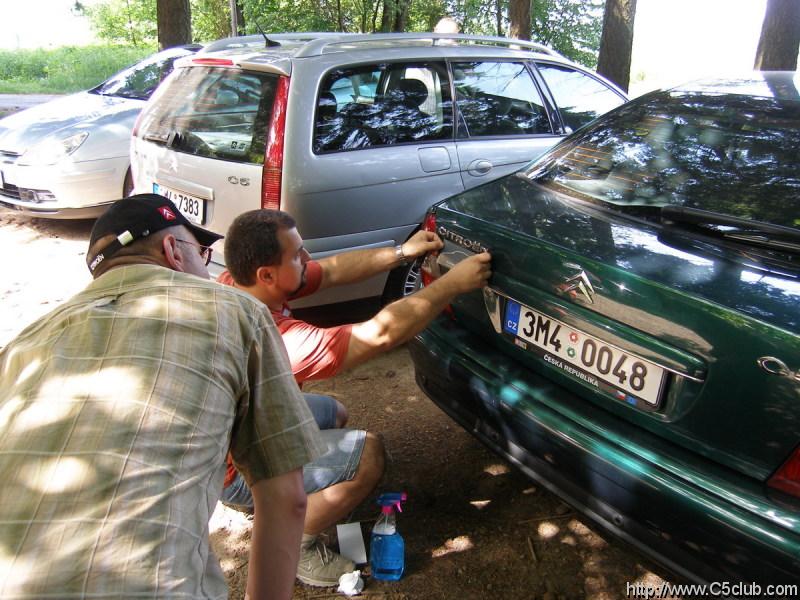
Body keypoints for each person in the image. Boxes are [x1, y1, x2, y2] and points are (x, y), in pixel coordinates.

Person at [0, 194, 324, 600]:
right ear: (173, 250)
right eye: (201, 253)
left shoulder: (20, 346)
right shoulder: (235, 310)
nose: (206, 270)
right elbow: (286, 500)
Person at [218, 209, 492, 587]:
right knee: (369, 455)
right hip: (233, 470)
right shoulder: (273, 339)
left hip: (239, 435)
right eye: (297, 255)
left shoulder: (238, 283)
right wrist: (450, 285)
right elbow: (377, 335)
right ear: (267, 274)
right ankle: (297, 542)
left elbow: (330, 270)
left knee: (333, 412)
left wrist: (402, 253)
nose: (307, 260)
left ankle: (287, 499)